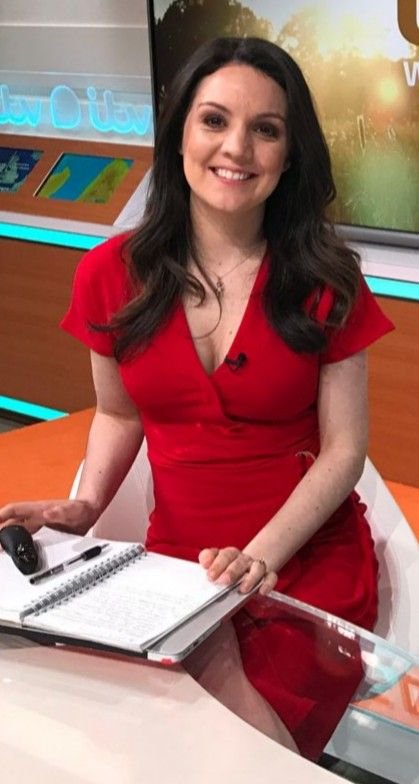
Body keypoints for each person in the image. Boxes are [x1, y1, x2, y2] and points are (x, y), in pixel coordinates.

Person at [0, 38, 393, 758]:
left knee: (235, 749)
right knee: (133, 733)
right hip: (178, 566)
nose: (236, 148)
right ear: (179, 130)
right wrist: (86, 505)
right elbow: (118, 412)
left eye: (265, 129)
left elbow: (345, 451)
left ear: (289, 154)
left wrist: (260, 558)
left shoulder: (327, 279)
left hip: (302, 565)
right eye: (214, 120)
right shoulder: (108, 275)